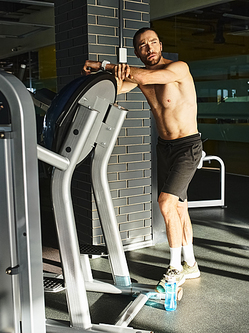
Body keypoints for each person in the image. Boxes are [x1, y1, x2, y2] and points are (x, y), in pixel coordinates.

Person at [82, 27, 202, 292]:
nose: (150, 49)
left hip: (187, 147)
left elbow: (149, 76)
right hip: (165, 147)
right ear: (137, 52)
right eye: (143, 46)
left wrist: (103, 64)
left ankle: (174, 268)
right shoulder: (141, 77)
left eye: (153, 43)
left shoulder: (178, 68)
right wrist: (96, 76)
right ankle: (191, 263)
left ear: (161, 44)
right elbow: (117, 87)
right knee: (180, 208)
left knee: (166, 203)